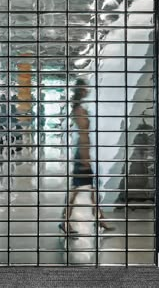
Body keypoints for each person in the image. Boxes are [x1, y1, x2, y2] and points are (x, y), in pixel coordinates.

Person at [59, 78, 113, 235]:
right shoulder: (78, 110)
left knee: (91, 189)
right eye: (85, 88)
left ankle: (100, 219)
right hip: (82, 153)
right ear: (80, 90)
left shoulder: (79, 108)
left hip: (84, 152)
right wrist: (85, 158)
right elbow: (83, 135)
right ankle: (65, 221)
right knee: (77, 190)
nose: (87, 90)